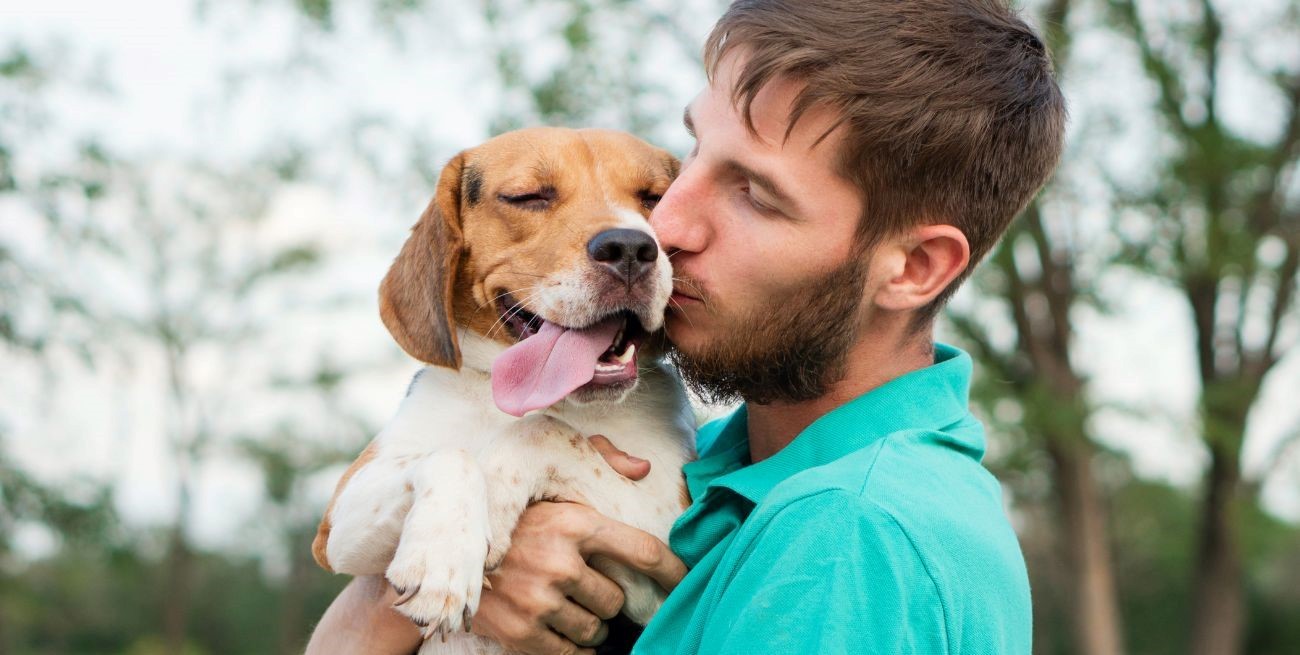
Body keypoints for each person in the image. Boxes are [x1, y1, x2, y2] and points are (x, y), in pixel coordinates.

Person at [308, 0, 1065, 652]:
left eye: (756, 195)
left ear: (914, 268)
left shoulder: (844, 536)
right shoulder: (725, 465)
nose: (663, 227)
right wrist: (468, 565)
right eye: (696, 153)